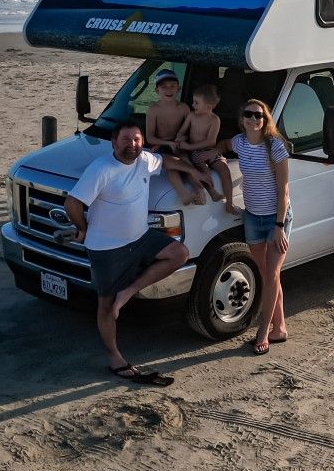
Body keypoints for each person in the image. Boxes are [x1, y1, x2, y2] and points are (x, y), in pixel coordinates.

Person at [64, 121, 192, 385]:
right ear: (113, 142)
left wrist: (194, 170)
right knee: (107, 306)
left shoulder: (144, 159)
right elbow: (72, 203)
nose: (132, 144)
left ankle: (130, 290)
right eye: (126, 139)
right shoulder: (102, 169)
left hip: (140, 238)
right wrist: (83, 228)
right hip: (107, 247)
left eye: (136, 139)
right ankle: (114, 357)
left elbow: (166, 161)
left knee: (179, 253)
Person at [229, 98, 291, 355]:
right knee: (267, 276)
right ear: (242, 118)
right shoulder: (239, 143)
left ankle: (263, 332)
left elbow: (284, 191)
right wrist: (206, 154)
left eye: (259, 115)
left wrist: (278, 226)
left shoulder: (275, 147)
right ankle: (280, 328)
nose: (254, 119)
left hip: (277, 219)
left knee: (272, 275)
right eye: (249, 114)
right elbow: (221, 145)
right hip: (253, 217)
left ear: (266, 121)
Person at [143, 69, 200, 206]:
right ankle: (184, 194)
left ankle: (200, 192)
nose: (168, 89)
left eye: (172, 86)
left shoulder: (184, 108)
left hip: (180, 144)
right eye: (164, 87)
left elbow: (190, 131)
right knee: (172, 166)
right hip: (162, 145)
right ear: (157, 91)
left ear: (178, 88)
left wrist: (182, 140)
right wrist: (167, 143)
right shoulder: (153, 109)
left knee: (186, 161)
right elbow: (150, 138)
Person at [176, 84, 235, 214]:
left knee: (224, 169)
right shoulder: (191, 116)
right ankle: (212, 191)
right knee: (202, 167)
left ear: (208, 107)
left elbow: (211, 141)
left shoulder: (215, 120)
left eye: (196, 103)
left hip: (210, 150)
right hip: (195, 152)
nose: (193, 105)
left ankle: (230, 204)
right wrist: (181, 140)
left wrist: (189, 146)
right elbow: (181, 132)